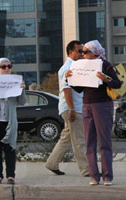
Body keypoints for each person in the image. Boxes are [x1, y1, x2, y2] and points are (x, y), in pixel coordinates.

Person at [66, 40, 121, 186]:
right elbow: (79, 89)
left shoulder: (104, 64)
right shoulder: (81, 65)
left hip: (102, 105)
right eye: (82, 52)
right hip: (87, 104)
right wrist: (69, 78)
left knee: (104, 142)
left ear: (94, 52)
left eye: (85, 52)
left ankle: (107, 176)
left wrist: (105, 79)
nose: (82, 54)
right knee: (89, 143)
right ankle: (94, 176)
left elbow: (117, 83)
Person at [45, 40, 89, 177]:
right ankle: (87, 170)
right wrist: (71, 109)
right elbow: (67, 90)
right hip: (72, 108)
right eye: (79, 51)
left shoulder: (76, 67)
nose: (82, 53)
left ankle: (52, 163)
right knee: (79, 140)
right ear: (71, 52)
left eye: (83, 51)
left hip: (73, 107)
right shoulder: (67, 68)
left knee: (66, 138)